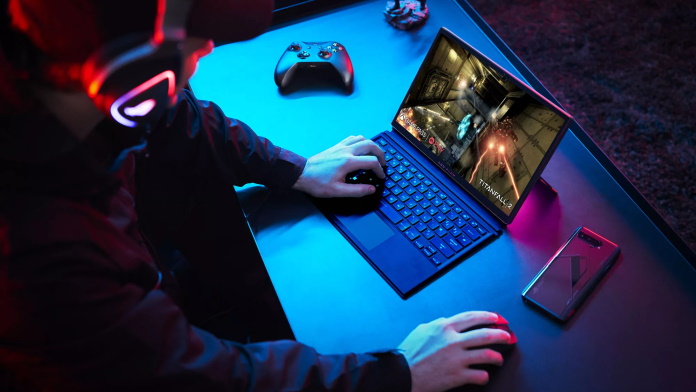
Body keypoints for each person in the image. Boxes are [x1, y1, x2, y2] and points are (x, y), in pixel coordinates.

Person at [0, 0, 515, 391]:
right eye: (196, 40)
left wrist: (296, 170)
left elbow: (173, 117)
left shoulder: (61, 82)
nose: (205, 54)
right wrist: (399, 374)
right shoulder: (42, 248)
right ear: (121, 75)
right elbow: (193, 374)